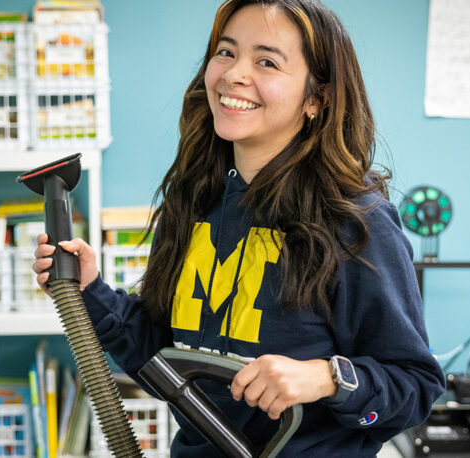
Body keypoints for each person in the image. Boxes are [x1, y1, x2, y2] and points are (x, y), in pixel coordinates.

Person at [33, 0, 445, 456]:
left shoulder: (354, 218)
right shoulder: (191, 200)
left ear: (316, 98)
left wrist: (327, 377)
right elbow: (165, 361)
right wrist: (89, 290)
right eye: (226, 53)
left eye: (266, 61)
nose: (233, 75)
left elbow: (415, 388)